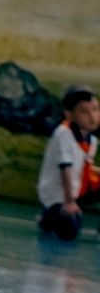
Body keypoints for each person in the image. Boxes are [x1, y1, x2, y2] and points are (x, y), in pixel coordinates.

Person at [38, 86, 100, 241]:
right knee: (69, 229)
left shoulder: (92, 140)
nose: (92, 117)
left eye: (95, 110)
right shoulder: (64, 134)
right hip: (59, 194)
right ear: (69, 114)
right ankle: (49, 216)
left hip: (76, 188)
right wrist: (70, 202)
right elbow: (66, 168)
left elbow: (83, 168)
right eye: (84, 112)